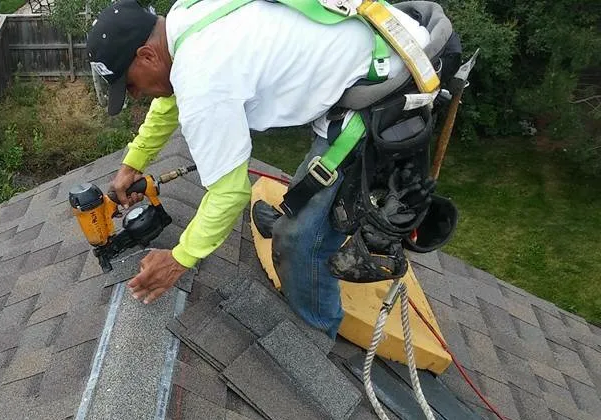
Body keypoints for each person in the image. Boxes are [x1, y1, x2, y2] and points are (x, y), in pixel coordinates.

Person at [87, 0, 432, 338]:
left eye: (130, 85)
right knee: (304, 199)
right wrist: (134, 162)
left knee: (301, 241)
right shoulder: (184, 17)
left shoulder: (201, 76)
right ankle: (292, 221)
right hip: (383, 35)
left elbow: (230, 194)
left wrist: (180, 258)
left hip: (389, 81)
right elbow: (169, 100)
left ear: (147, 56)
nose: (135, 95)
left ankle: (314, 335)